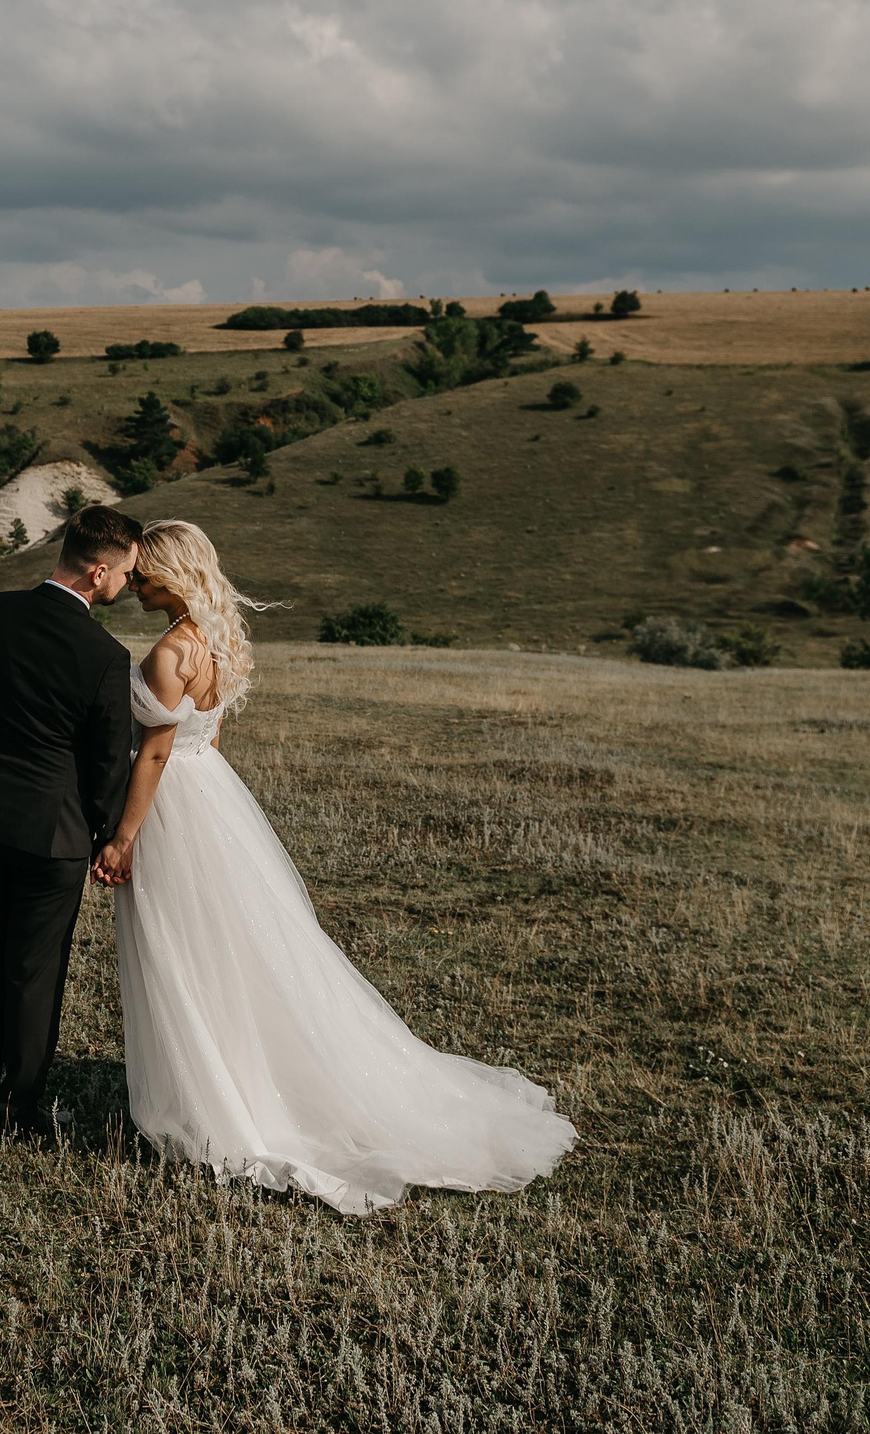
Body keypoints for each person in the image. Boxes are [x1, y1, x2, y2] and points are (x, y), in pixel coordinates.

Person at [93, 519, 575, 1214]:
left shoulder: (172, 650)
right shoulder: (221, 640)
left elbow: (157, 754)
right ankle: (232, 1073)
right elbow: (213, 733)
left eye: (143, 575)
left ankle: (228, 1097)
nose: (133, 585)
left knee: (188, 951)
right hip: (216, 797)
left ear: (172, 574)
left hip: (175, 808)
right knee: (233, 947)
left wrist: (125, 837)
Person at [0, 504, 143, 1137]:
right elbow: (109, 761)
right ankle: (20, 1109)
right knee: (34, 972)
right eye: (125, 575)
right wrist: (106, 830)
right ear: (98, 570)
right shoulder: (105, 655)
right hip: (53, 835)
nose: (126, 587)